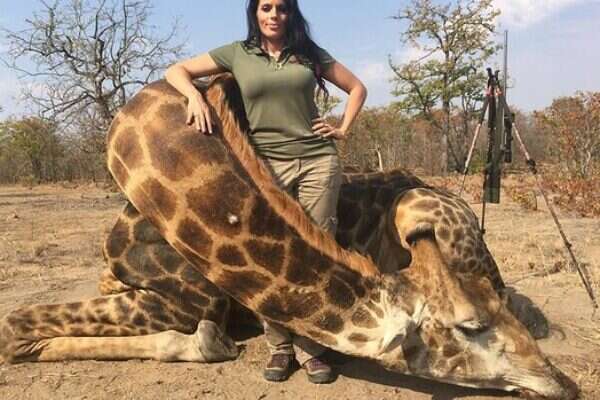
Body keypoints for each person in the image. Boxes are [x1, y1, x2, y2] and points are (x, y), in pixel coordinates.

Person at [165, 0, 367, 385]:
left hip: (317, 162)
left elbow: (357, 87)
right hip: (266, 165)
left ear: (291, 15)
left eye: (282, 9)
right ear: (255, 13)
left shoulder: (308, 53)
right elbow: (176, 70)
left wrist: (342, 127)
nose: (274, 15)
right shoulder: (237, 53)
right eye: (266, 7)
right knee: (270, 251)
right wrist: (193, 96)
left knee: (318, 250)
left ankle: (311, 346)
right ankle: (279, 344)